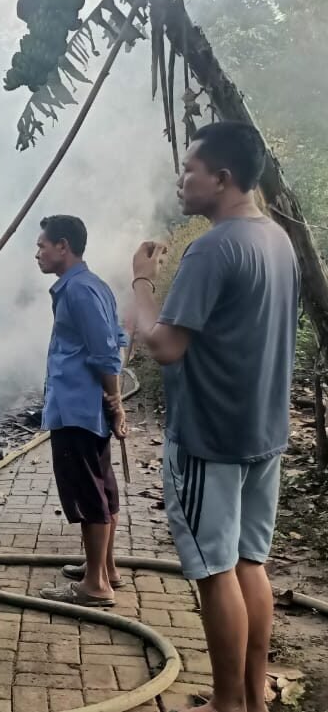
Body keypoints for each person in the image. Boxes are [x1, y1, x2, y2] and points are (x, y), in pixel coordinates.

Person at [131, 122, 298, 712]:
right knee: (250, 563)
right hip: (263, 432)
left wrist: (142, 281)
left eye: (189, 171)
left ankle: (227, 705)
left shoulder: (216, 245)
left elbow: (166, 344)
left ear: (221, 179)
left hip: (210, 436)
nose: (181, 182)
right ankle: (253, 700)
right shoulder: (276, 238)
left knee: (214, 572)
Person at [33, 215, 128, 607]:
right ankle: (105, 568)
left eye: (42, 245)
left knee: (88, 492)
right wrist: (112, 399)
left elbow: (105, 350)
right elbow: (120, 338)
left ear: (64, 246)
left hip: (77, 407)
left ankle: (95, 586)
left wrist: (116, 401)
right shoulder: (92, 285)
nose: (37, 253)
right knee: (102, 485)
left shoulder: (79, 291)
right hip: (87, 407)